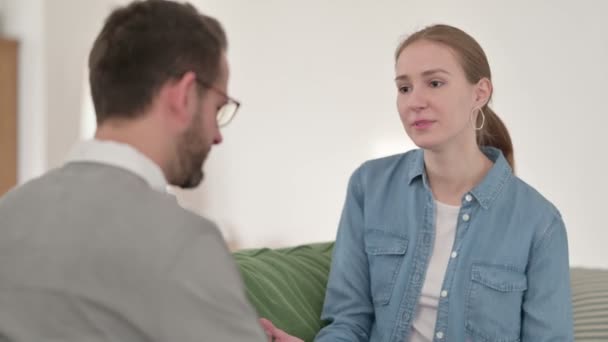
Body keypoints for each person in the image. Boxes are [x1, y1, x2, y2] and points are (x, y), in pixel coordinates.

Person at [264, 24, 573, 341]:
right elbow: (349, 321)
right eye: (404, 88)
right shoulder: (368, 187)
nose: (415, 101)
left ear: (479, 93)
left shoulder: (540, 223)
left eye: (435, 83)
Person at [0, 1, 279, 341]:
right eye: (218, 107)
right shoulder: (184, 243)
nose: (217, 135)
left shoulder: (9, 212)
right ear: (185, 95)